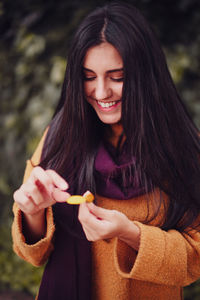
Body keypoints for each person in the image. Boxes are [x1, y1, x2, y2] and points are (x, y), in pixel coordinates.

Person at [12, 2, 200, 300]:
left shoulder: (181, 148)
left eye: (117, 77)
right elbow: (31, 254)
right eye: (88, 77)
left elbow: (195, 258)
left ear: (145, 76)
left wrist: (131, 234)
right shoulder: (58, 139)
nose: (101, 93)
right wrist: (32, 212)